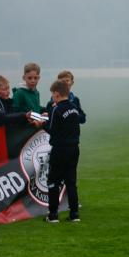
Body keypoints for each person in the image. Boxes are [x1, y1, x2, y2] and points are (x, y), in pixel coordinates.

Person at [43, 80, 85, 222]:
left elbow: (51, 129)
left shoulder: (56, 109)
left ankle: (53, 214)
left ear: (56, 93)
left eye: (52, 94)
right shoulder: (74, 108)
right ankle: (74, 214)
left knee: (53, 181)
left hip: (60, 149)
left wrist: (41, 124)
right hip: (74, 148)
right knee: (71, 182)